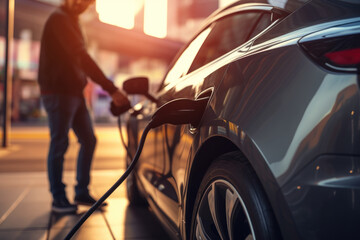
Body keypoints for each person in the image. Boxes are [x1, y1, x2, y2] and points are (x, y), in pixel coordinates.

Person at [38, 0, 130, 213]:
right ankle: (58, 199)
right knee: (59, 143)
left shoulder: (72, 20)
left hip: (74, 92)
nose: (83, 5)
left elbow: (77, 60)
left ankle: (81, 191)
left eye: (88, 2)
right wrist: (111, 89)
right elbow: (81, 57)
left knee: (89, 139)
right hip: (58, 92)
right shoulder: (59, 19)